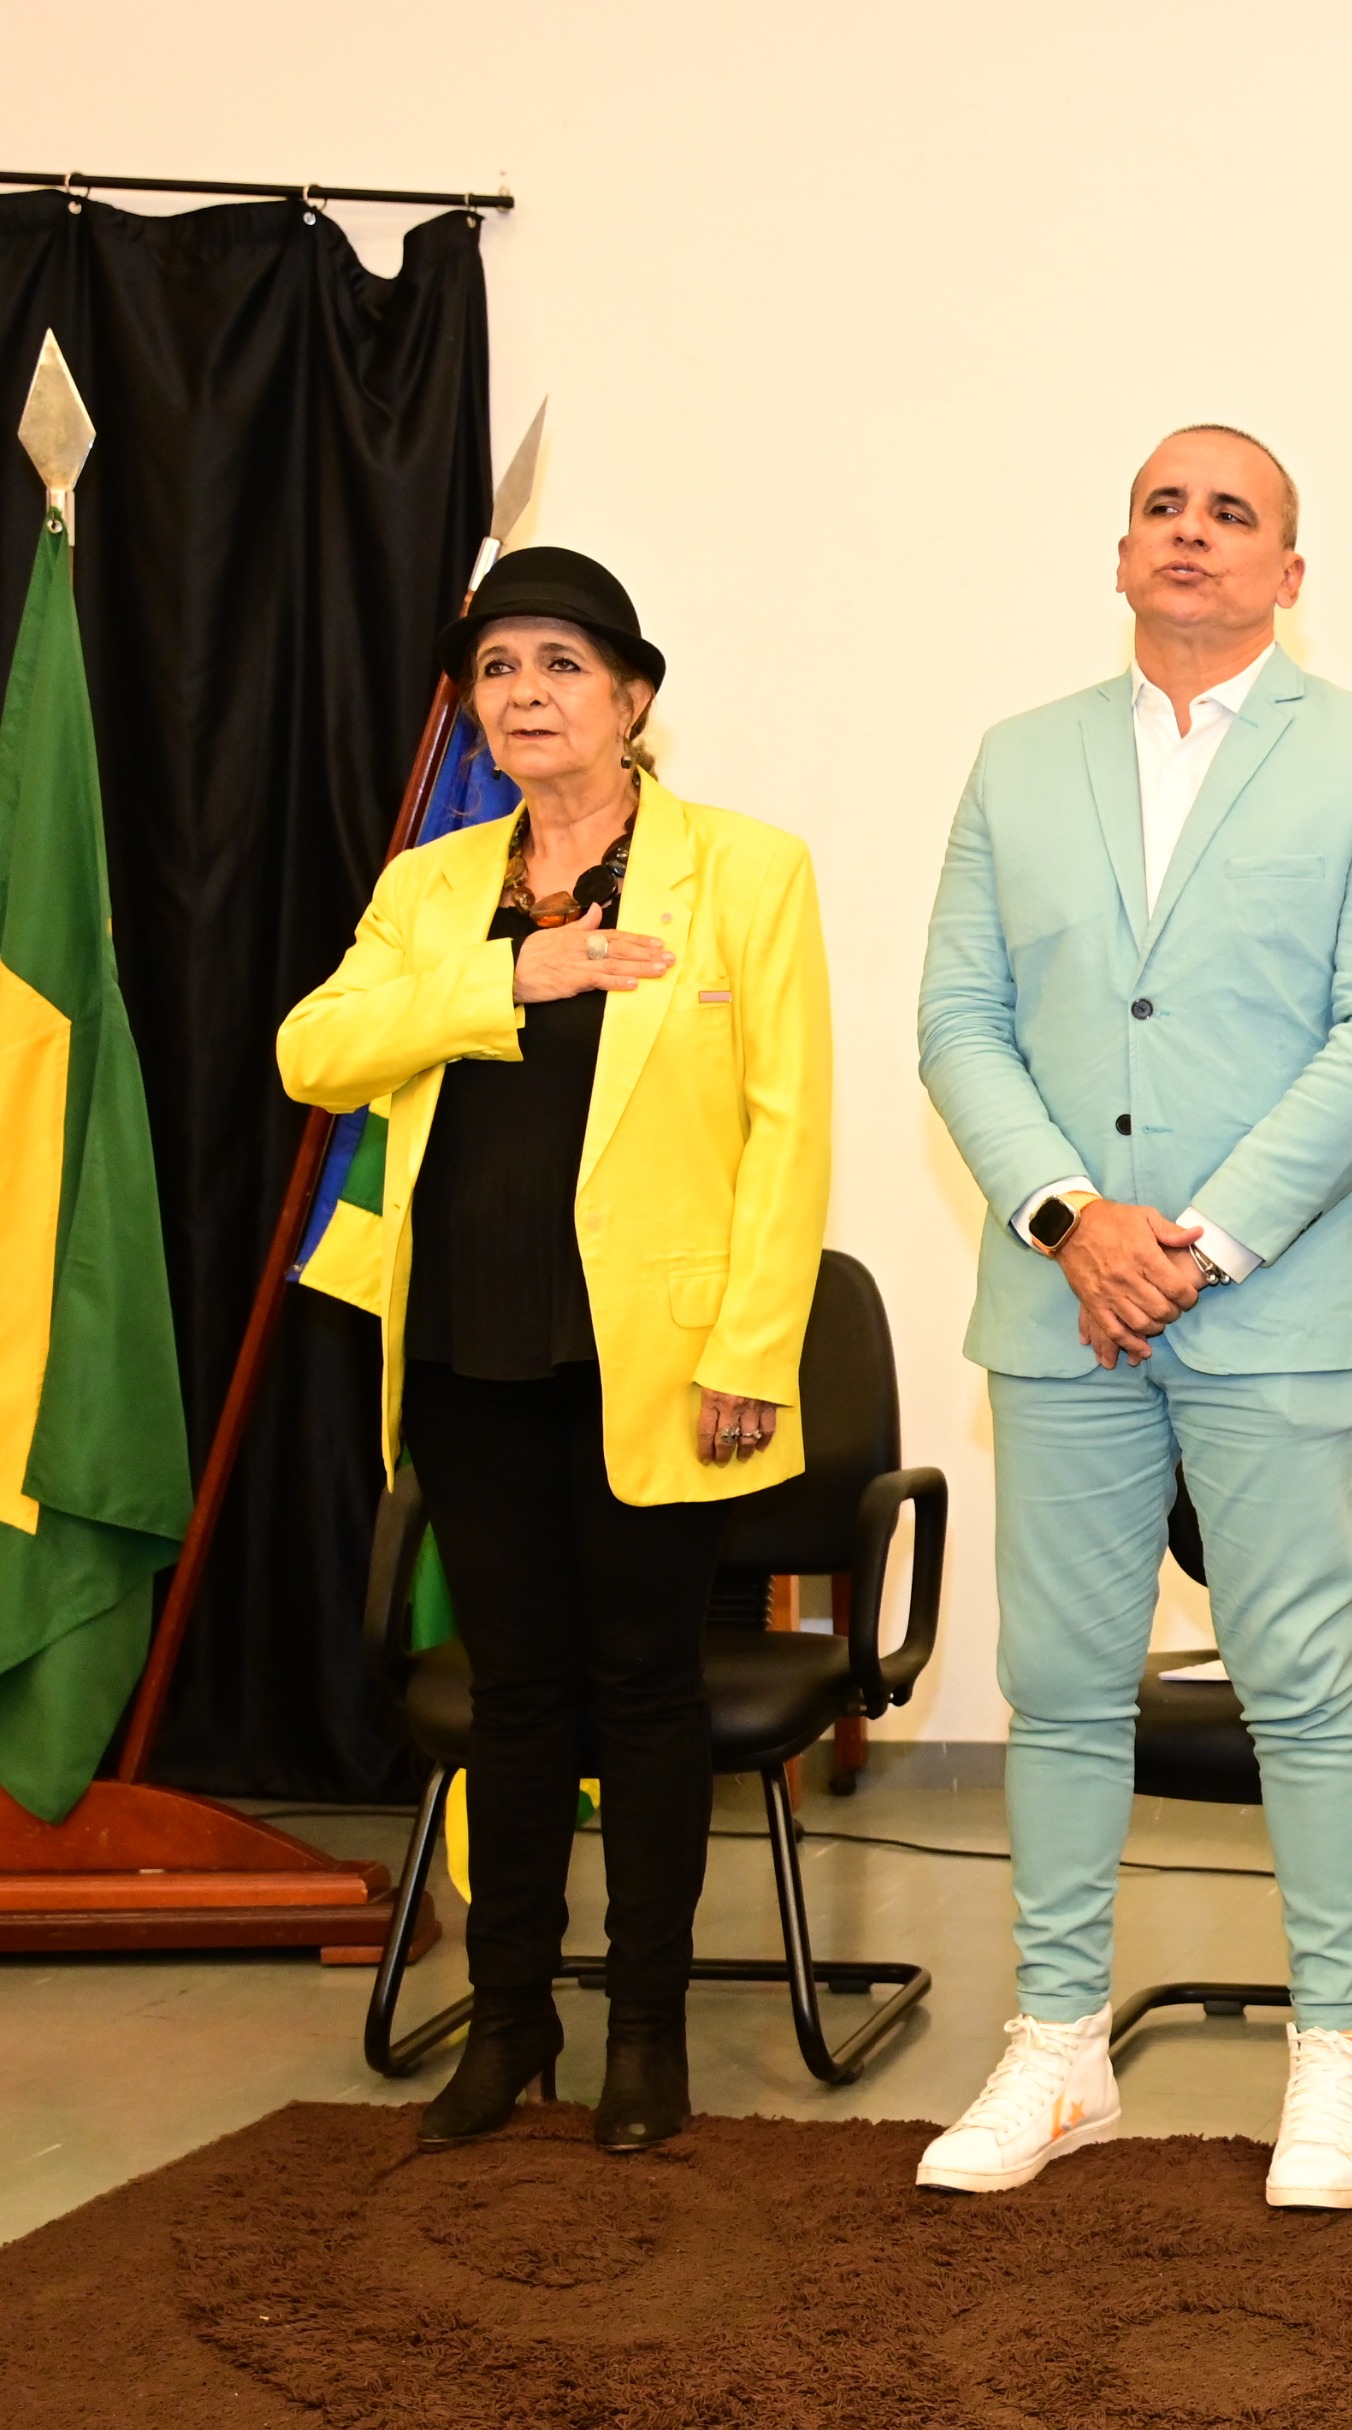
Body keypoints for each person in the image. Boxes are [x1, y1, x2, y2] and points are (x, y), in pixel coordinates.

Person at [912, 425, 1352, 2209]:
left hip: (1272, 1304)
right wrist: (1072, 1218)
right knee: (1064, 1685)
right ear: (1121, 551)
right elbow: (960, 1022)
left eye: (1233, 514)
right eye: (1164, 506)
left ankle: (1334, 2061)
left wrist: (1200, 1243)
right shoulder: (1021, 756)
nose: (1192, 533)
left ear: (1289, 574)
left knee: (1300, 1682)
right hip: (1058, 1296)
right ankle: (1059, 2048)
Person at [277, 547, 833, 2155]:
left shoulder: (746, 869)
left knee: (645, 1690)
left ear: (633, 698)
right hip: (466, 1348)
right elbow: (315, 1050)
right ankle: (509, 2015)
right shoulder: (433, 886)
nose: (526, 693)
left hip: (656, 1355)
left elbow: (788, 1132)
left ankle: (645, 2030)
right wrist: (507, 974)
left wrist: (752, 1353)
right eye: (499, 668)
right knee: (517, 1694)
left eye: (563, 664)